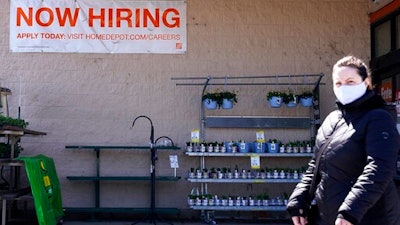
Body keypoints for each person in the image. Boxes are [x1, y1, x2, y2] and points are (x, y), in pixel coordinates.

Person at [286, 55, 400, 225]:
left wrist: (350, 211)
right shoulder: (332, 119)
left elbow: (379, 168)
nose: (343, 87)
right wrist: (299, 199)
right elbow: (316, 166)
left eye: (350, 81)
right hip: (331, 216)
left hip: (367, 217)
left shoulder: (378, 118)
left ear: (366, 82)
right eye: (338, 83)